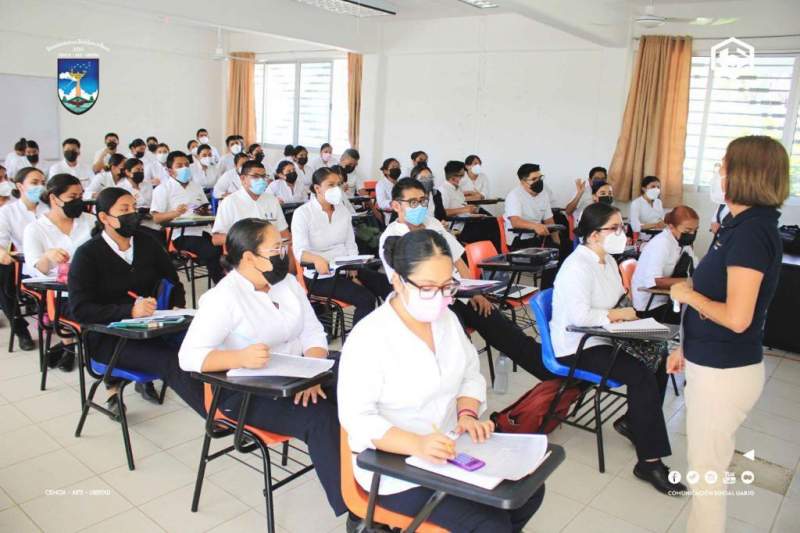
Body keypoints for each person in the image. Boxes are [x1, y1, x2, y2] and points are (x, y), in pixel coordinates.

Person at [339, 229, 545, 532]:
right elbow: (357, 419)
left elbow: (469, 374)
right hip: (395, 463)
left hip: (450, 447)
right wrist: (418, 444)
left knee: (528, 491)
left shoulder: (447, 320)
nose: (439, 297)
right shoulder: (369, 337)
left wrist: (467, 415)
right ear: (397, 280)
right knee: (490, 524)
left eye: (447, 287)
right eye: (427, 288)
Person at [178, 217, 346, 516]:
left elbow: (312, 332)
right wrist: (239, 358)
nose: (285, 253)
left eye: (284, 245)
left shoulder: (286, 283)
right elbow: (188, 357)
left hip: (301, 371)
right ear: (249, 258)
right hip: (245, 390)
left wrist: (313, 371)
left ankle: (382, 484)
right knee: (320, 417)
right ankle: (355, 513)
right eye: (276, 248)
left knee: (359, 382)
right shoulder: (223, 298)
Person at [668, 136, 790, 533]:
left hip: (724, 372)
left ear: (745, 174)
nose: (718, 173)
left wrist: (687, 294)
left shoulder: (752, 233)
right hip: (710, 362)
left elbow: (738, 318)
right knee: (706, 467)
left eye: (723, 166)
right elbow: (717, 293)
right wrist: (685, 347)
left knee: (707, 476)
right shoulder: (739, 226)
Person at [550, 202, 684, 495]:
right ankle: (649, 462)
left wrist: (629, 317)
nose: (621, 233)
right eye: (614, 228)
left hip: (606, 334)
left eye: (621, 227)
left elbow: (616, 300)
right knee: (640, 375)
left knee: (659, 357)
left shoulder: (608, 260)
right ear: (594, 234)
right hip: (579, 344)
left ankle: (634, 421)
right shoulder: (576, 267)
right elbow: (579, 317)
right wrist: (617, 315)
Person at [381, 179, 556, 381]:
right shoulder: (392, 238)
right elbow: (408, 287)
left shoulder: (432, 223)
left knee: (505, 330)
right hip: (430, 303)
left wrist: (476, 292)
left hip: (461, 293)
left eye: (423, 201)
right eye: (412, 202)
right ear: (396, 205)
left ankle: (552, 373)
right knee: (458, 344)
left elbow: (458, 260)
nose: (419, 207)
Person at [68, 187, 203, 418]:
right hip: (109, 337)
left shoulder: (147, 242)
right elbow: (81, 310)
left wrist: (176, 307)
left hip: (154, 327)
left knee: (203, 343)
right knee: (171, 360)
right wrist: (129, 310)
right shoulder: (87, 255)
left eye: (134, 207)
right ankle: (219, 418)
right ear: (105, 218)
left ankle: (234, 405)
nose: (133, 214)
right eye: (124, 209)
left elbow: (173, 280)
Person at [291, 167, 390, 324]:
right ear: (317, 188)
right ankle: (357, 339)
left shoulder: (342, 210)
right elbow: (299, 251)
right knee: (366, 299)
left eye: (338, 184)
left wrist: (354, 271)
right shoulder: (303, 213)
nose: (336, 189)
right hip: (320, 276)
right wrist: (316, 259)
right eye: (331, 185)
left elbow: (350, 244)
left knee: (387, 285)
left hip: (347, 268)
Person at [22, 174, 94, 371]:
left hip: (97, 288)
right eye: (72, 197)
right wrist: (48, 257)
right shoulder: (35, 229)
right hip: (63, 296)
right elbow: (36, 269)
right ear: (54, 199)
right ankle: (75, 349)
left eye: (81, 196)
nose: (78, 201)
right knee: (100, 317)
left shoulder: (90, 221)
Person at [150, 151, 224, 283]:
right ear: (170, 171)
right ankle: (221, 285)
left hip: (203, 230)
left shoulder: (196, 186)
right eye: (179, 166)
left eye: (186, 165)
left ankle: (223, 283)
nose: (184, 168)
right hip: (181, 234)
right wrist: (175, 213)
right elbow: (156, 218)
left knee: (223, 248)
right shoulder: (162, 189)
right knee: (212, 252)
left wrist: (204, 211)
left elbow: (205, 208)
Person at [0, 167, 49, 351]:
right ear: (20, 186)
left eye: (42, 183)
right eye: (34, 183)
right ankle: (21, 330)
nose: (40, 187)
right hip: (26, 265)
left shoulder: (49, 208)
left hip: (54, 262)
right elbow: (1, 242)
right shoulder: (8, 212)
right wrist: (2, 253)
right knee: (3, 281)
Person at [631, 206, 699, 323]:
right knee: (695, 319)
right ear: (671, 227)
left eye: (695, 230)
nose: (692, 234)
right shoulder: (661, 244)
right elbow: (653, 282)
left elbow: (696, 267)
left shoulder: (683, 243)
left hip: (668, 299)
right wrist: (688, 281)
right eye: (688, 231)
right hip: (650, 305)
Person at [211, 160, 289, 246]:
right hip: (242, 250)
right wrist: (245, 240)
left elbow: (284, 233)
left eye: (263, 176)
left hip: (271, 249)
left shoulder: (272, 200)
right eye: (255, 176)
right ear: (243, 179)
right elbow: (216, 239)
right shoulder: (229, 202)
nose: (261, 180)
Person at [439, 161, 500, 251]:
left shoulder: (458, 189)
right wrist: (464, 209)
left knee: (493, 221)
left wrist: (473, 213)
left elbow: (463, 208)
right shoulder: (443, 190)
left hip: (466, 220)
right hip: (457, 226)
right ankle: (489, 253)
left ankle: (495, 252)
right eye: (462, 176)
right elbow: (443, 212)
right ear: (453, 177)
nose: (464, 178)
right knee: (488, 228)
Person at [504, 163, 559, 251]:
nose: (538, 181)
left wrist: (557, 243)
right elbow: (515, 222)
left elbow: (549, 220)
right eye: (534, 179)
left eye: (540, 178)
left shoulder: (543, 194)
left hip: (538, 237)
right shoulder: (514, 195)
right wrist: (535, 226)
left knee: (565, 248)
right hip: (519, 240)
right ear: (523, 182)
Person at [629, 176, 665, 240]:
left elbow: (662, 219)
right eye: (653, 186)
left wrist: (663, 224)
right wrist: (655, 225)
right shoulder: (636, 203)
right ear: (644, 188)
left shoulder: (658, 202)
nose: (656, 189)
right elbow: (635, 226)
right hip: (644, 236)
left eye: (658, 187)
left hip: (659, 233)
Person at [375, 158, 401, 224]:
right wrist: (394, 203)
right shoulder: (381, 184)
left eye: (398, 167)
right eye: (393, 167)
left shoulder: (401, 183)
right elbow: (381, 203)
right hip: (391, 215)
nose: (396, 169)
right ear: (385, 171)